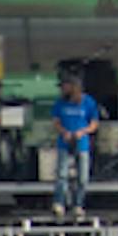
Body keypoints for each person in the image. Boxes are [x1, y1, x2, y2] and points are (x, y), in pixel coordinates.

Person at [50, 73, 100, 218]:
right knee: (62, 174)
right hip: (64, 141)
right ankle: (60, 202)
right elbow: (56, 121)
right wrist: (63, 132)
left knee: (83, 177)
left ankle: (78, 204)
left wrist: (83, 132)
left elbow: (94, 123)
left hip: (82, 142)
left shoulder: (88, 102)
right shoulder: (60, 103)